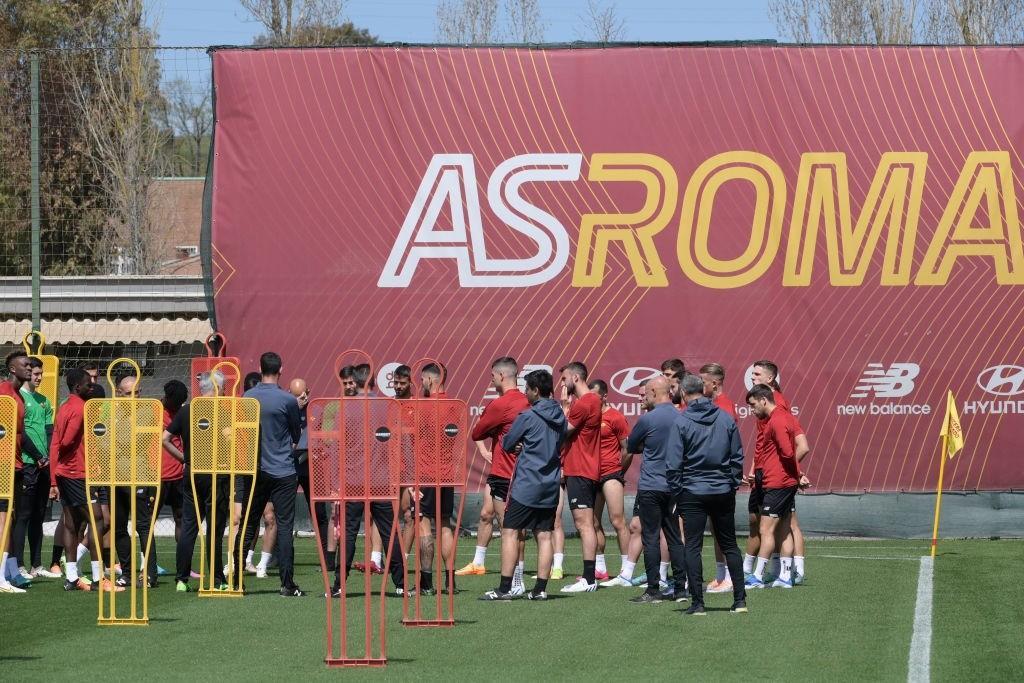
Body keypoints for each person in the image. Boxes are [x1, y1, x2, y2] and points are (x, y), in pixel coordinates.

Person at [480, 370, 565, 601]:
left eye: (527, 389)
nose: (525, 393)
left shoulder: (527, 416)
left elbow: (507, 443)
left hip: (527, 482)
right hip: (550, 483)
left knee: (509, 532)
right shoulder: (560, 415)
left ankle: (505, 589)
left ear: (536, 391)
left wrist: (521, 446)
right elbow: (561, 442)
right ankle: (540, 590)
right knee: (544, 535)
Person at [670, 373, 747, 615]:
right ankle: (740, 601)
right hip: (722, 489)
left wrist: (677, 493)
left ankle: (698, 603)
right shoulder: (724, 418)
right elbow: (737, 456)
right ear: (703, 390)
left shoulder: (681, 422)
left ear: (683, 393)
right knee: (730, 544)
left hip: (692, 490)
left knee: (692, 546)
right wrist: (732, 483)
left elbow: (673, 463)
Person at [48, 368, 121, 593]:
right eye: (88, 385)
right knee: (98, 520)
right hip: (76, 473)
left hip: (65, 472)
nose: (92, 388)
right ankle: (99, 579)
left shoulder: (65, 406)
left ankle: (71, 577)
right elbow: (67, 441)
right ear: (77, 387)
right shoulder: (81, 409)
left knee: (71, 522)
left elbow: (57, 441)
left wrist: (54, 475)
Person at [239, 352, 304, 597]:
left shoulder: (248, 396)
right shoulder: (287, 400)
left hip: (256, 470)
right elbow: (296, 435)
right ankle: (287, 584)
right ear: (281, 370)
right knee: (285, 526)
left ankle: (237, 579)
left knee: (248, 523)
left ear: (259, 367)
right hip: (284, 470)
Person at [460, 358, 529, 586]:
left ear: (501, 376)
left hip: (505, 472)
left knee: (509, 528)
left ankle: (512, 583)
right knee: (507, 524)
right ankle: (496, 569)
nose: (490, 380)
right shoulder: (527, 401)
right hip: (521, 472)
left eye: (492, 376)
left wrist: (495, 431)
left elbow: (477, 431)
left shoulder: (502, 404)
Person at [165, 372, 231, 592]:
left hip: (192, 473)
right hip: (216, 474)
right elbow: (230, 438)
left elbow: (164, 438)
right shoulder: (221, 412)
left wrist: (184, 458)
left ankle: (181, 579)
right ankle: (218, 579)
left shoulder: (186, 411)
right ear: (218, 388)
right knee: (215, 528)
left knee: (189, 527)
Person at [624, 375, 687, 604]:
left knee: (650, 538)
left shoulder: (648, 419)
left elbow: (631, 446)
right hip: (673, 487)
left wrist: (648, 444)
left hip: (651, 486)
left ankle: (653, 590)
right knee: (674, 538)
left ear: (652, 392)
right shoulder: (681, 417)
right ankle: (680, 589)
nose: (643, 398)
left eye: (645, 394)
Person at [744, 385, 806, 589]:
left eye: (753, 405)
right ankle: (785, 577)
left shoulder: (777, 420)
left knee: (765, 529)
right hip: (782, 481)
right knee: (784, 529)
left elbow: (788, 453)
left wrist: (796, 474)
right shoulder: (784, 417)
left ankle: (758, 576)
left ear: (763, 400)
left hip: (778, 483)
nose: (752, 410)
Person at [558, 361, 603, 593]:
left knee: (584, 524)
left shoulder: (585, 402)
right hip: (582, 468)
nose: (562, 383)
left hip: (581, 469)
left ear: (576, 378)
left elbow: (563, 430)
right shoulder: (591, 401)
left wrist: (565, 407)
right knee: (585, 523)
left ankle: (589, 578)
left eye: (564, 378)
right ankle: (590, 577)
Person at [413, 363, 457, 595]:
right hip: (447, 473)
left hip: (426, 474)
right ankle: (450, 581)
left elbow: (413, 435)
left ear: (431, 380)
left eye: (423, 380)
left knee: (423, 525)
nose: (421, 384)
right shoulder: (453, 405)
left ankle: (427, 583)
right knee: (445, 525)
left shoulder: (424, 407)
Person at [13, 357, 58, 579]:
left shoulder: (44, 400)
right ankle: (19, 565)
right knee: (23, 515)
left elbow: (50, 431)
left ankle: (37, 565)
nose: (39, 377)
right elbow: (19, 435)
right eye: (35, 373)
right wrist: (38, 456)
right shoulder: (18, 398)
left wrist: (48, 457)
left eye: (41, 373)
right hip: (27, 464)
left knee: (39, 515)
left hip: (43, 465)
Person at [699, 362, 738, 594]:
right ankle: (721, 575)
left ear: (714, 383)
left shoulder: (724, 406)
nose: (700, 386)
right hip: (713, 477)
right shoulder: (713, 404)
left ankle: (732, 578)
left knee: (723, 529)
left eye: (703, 382)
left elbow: (725, 443)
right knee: (715, 529)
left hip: (721, 478)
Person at [588, 379, 630, 582]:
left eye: (594, 396)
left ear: (604, 396)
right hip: (591, 475)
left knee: (617, 520)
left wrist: (619, 471)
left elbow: (627, 448)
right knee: (593, 523)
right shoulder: (588, 416)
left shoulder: (615, 417)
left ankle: (626, 570)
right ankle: (600, 569)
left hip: (611, 474)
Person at [289, 378, 331, 574]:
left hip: (313, 465)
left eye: (304, 394)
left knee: (319, 513)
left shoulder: (317, 410)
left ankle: (327, 560)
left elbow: (324, 438)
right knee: (285, 513)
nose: (301, 399)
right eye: (297, 396)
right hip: (290, 464)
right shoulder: (286, 410)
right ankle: (281, 558)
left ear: (309, 391)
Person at [0, 351, 30, 592]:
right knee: (3, 518)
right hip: (3, 463)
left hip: (16, 463)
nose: (30, 368)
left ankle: (9, 573)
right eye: (26, 365)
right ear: (12, 369)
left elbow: (20, 433)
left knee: (11, 518)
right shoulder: (2, 392)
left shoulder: (19, 397)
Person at [152, 380, 187, 578]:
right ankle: (149, 565)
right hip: (156, 475)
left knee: (181, 519)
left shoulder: (181, 413)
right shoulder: (153, 410)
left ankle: (183, 566)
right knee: (148, 521)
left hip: (177, 475)